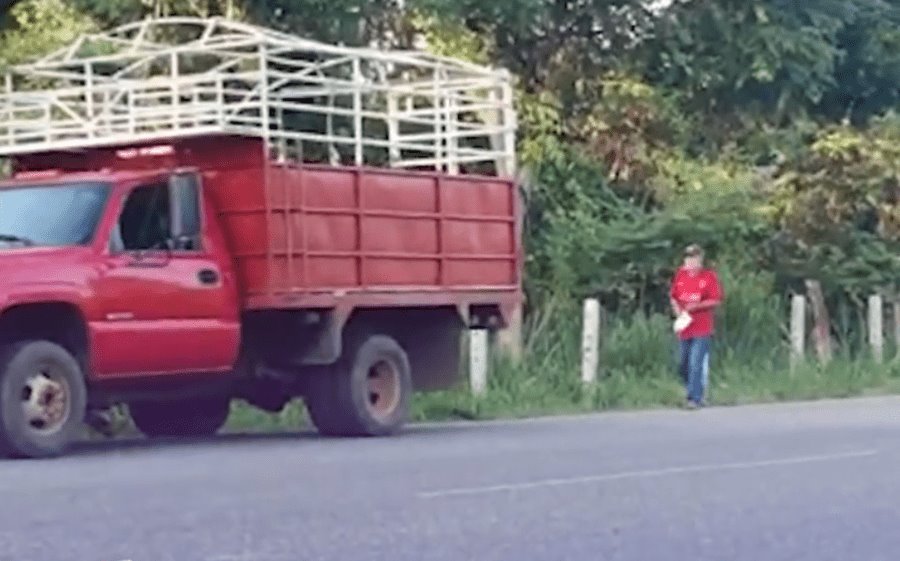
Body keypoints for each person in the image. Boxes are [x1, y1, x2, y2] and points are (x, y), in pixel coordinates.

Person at [669, 244, 723, 409]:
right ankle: (692, 390)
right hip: (685, 326)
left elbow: (716, 300)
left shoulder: (708, 277)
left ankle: (694, 398)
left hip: (702, 327)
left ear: (700, 259)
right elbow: (674, 296)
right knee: (683, 362)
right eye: (689, 258)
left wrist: (697, 306)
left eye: (695, 258)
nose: (691, 261)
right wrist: (678, 311)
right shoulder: (681, 276)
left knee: (696, 362)